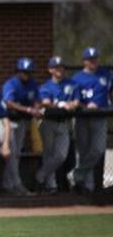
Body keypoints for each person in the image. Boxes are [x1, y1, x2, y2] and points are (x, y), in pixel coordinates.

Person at [35, 57, 79, 194]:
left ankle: (40, 175)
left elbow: (76, 102)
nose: (59, 69)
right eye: (55, 67)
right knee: (48, 154)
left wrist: (69, 104)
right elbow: (46, 103)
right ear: (50, 70)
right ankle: (50, 185)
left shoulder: (72, 84)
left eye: (61, 67)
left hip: (64, 123)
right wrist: (61, 104)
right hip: (48, 122)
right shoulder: (45, 86)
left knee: (61, 155)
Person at [70, 47, 111, 193]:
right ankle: (87, 186)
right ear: (84, 61)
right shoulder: (76, 78)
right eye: (90, 59)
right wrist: (85, 105)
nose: (93, 61)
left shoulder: (106, 74)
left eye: (95, 58)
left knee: (98, 150)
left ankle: (77, 175)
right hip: (83, 117)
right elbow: (73, 98)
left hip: (100, 116)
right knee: (83, 151)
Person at [1, 58, 42, 195]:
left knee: (16, 154)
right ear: (18, 72)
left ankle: (8, 184)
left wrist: (35, 108)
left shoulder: (32, 84)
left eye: (29, 72)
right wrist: (28, 110)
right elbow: (9, 103)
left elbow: (37, 100)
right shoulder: (11, 84)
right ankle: (17, 184)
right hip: (8, 121)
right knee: (12, 154)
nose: (26, 75)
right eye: (24, 72)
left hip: (22, 122)